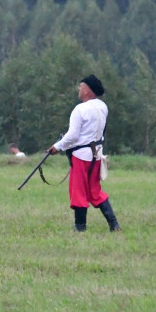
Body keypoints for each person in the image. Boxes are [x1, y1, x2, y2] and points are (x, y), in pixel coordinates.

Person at [48, 74, 121, 233]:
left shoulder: (79, 109)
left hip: (81, 156)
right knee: (95, 190)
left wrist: (57, 147)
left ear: (87, 90)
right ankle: (114, 224)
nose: (79, 90)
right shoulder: (103, 107)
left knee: (78, 190)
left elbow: (73, 135)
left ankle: (80, 227)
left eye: (80, 87)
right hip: (97, 155)